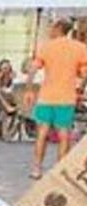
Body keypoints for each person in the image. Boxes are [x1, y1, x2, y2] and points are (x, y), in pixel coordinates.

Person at [26, 19, 87, 178]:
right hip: (66, 98)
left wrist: (29, 90)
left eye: (52, 26)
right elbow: (84, 72)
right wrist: (80, 87)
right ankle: (59, 170)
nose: (50, 29)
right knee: (64, 134)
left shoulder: (46, 47)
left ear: (59, 28)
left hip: (46, 97)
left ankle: (37, 169)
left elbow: (32, 69)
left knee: (42, 133)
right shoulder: (80, 48)